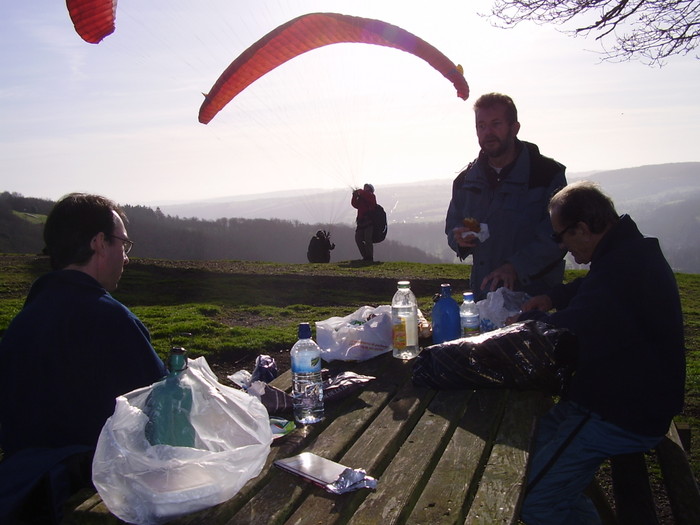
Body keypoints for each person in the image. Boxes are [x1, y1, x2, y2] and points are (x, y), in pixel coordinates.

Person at [515, 181, 685, 524]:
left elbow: (573, 326)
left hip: (621, 411)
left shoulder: (624, 269)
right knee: (530, 457)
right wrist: (552, 298)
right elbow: (591, 287)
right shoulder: (628, 252)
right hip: (613, 395)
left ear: (583, 228)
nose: (561, 246)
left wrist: (522, 321)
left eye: (560, 236)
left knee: (531, 499)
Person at [0, 193, 167, 524]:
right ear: (100, 243)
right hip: (93, 496)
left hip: (25, 499)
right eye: (123, 244)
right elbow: (162, 414)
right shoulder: (111, 320)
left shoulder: (23, 322)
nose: (127, 257)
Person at [445, 92, 567, 301]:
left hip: (535, 298)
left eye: (496, 124)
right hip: (484, 295)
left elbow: (559, 236)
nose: (487, 132)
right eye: (481, 126)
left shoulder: (546, 174)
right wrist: (460, 238)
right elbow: (454, 226)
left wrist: (516, 266)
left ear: (514, 128)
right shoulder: (466, 181)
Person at [351, 183, 377, 262]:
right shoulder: (362, 197)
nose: (365, 188)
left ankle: (370, 257)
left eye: (366, 187)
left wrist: (358, 191)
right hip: (361, 222)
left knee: (367, 239)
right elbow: (355, 204)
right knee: (358, 239)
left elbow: (365, 195)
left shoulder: (371, 196)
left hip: (369, 222)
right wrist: (354, 196)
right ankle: (365, 257)